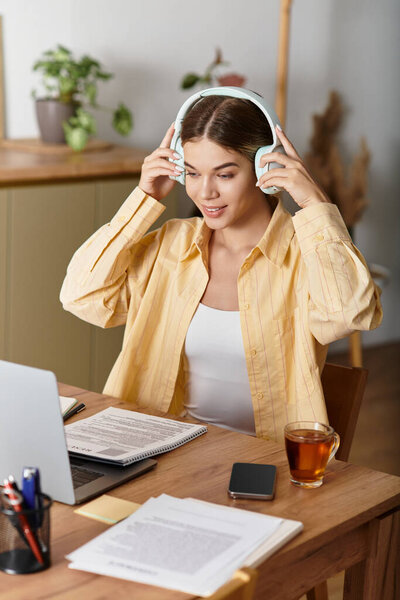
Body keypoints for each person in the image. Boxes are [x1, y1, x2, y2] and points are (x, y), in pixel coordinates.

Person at [60, 90, 382, 443]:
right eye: (194, 173)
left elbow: (351, 314)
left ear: (266, 167)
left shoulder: (303, 251)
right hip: (162, 450)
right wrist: (143, 199)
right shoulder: (171, 245)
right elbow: (82, 296)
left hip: (268, 462)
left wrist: (313, 202)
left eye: (225, 175)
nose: (205, 193)